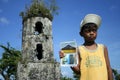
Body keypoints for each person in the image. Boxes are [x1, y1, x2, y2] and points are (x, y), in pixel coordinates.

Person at [59, 14, 113, 80]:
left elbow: (108, 68)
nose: (92, 33)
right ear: (81, 34)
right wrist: (67, 60)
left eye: (94, 30)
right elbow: (78, 71)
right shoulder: (79, 50)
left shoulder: (103, 48)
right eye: (88, 31)